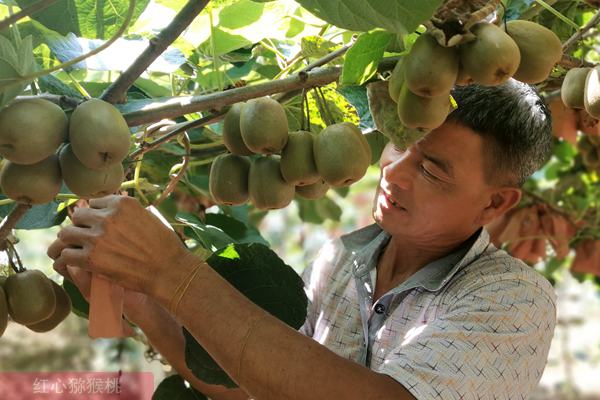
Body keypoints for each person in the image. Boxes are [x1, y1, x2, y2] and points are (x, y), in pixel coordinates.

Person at [48, 79, 557, 400]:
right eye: (399, 145)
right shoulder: (340, 261)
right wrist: (140, 295)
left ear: (496, 204)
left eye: (433, 170)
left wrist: (171, 271)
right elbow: (251, 385)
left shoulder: (512, 300)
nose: (393, 174)